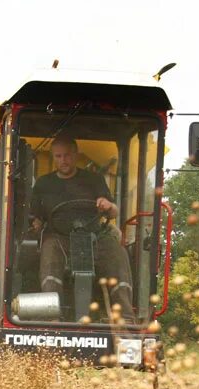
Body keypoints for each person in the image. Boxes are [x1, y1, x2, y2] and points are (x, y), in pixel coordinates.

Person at [30, 134, 135, 322]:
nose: (63, 160)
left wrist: (108, 206)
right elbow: (35, 217)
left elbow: (114, 212)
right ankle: (52, 317)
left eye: (67, 155)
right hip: (59, 236)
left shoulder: (93, 180)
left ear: (76, 155)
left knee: (117, 251)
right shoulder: (43, 184)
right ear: (53, 157)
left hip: (95, 235)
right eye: (58, 156)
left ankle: (126, 318)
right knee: (49, 250)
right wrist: (35, 223)